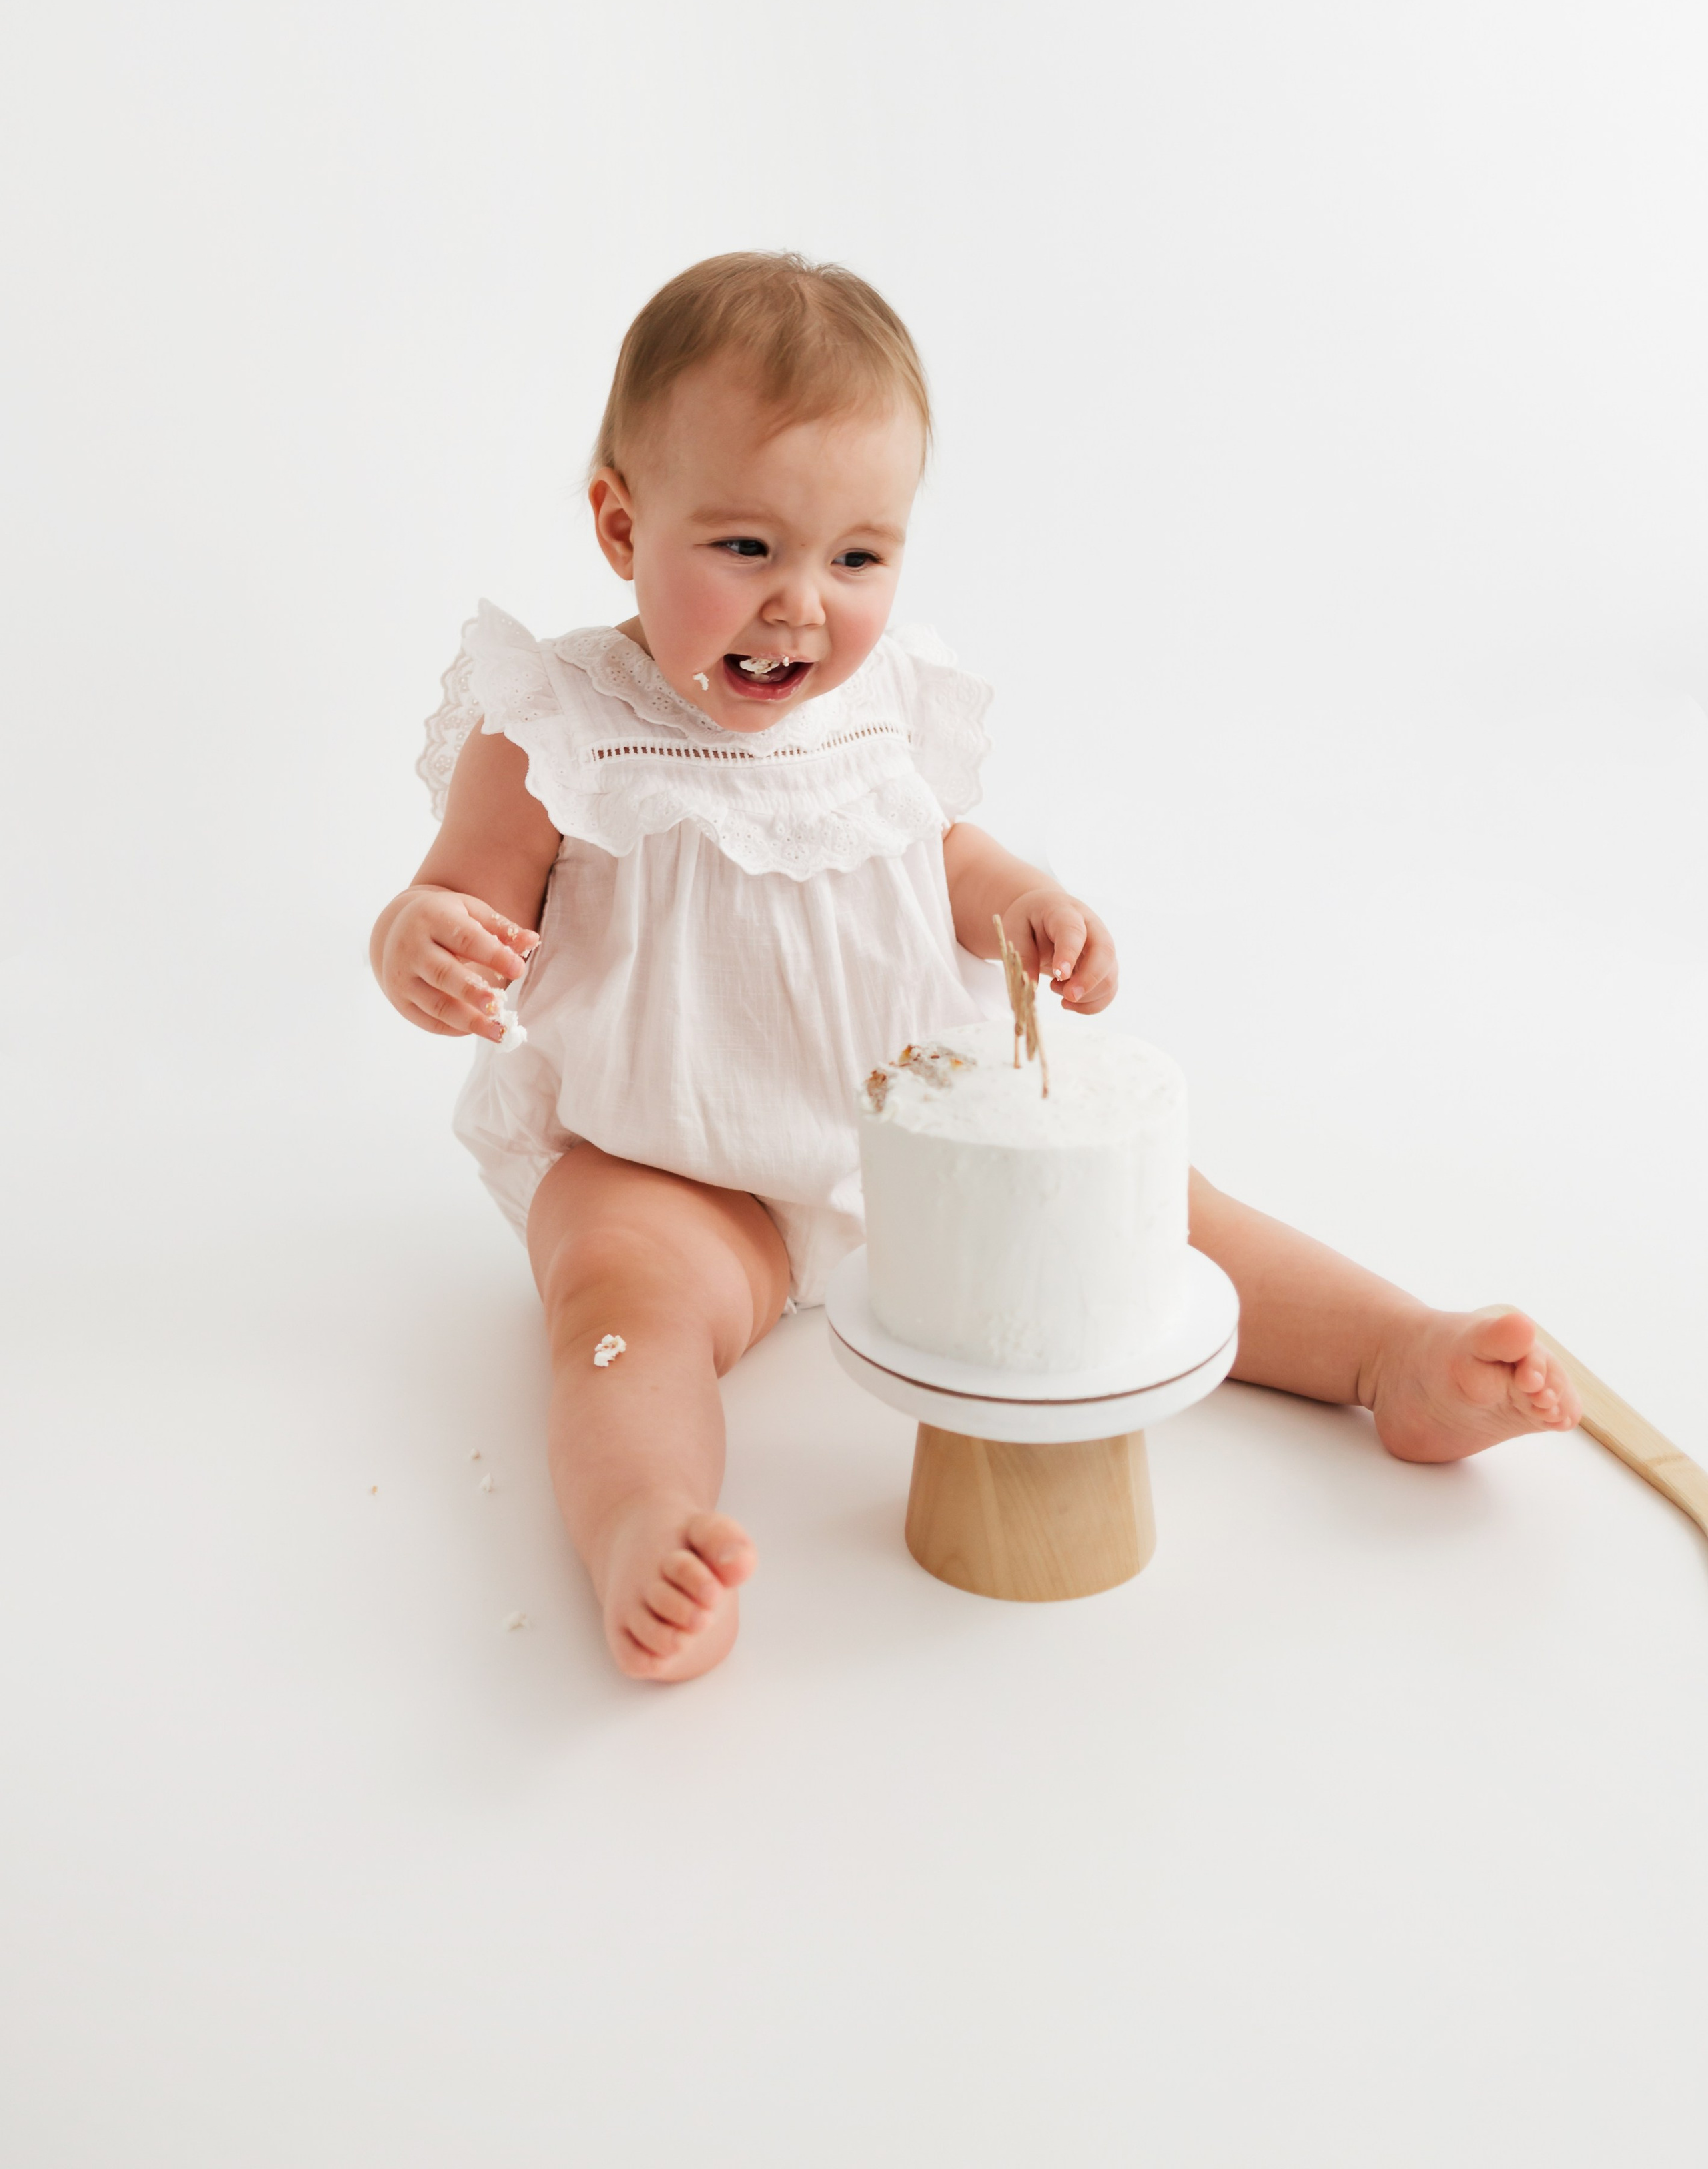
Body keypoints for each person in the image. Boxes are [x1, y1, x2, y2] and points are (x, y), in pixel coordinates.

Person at [370, 252, 1581, 1683]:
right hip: (665, 1166)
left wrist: (1023, 905)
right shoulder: (558, 724)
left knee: (1160, 1209)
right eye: (744, 549)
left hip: (911, 1129)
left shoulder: (880, 702)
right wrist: (422, 941)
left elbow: (937, 849)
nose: (801, 607)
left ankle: (1393, 1355)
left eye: (856, 558)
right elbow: (453, 895)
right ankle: (644, 1521)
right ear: (619, 524)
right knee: (617, 1318)